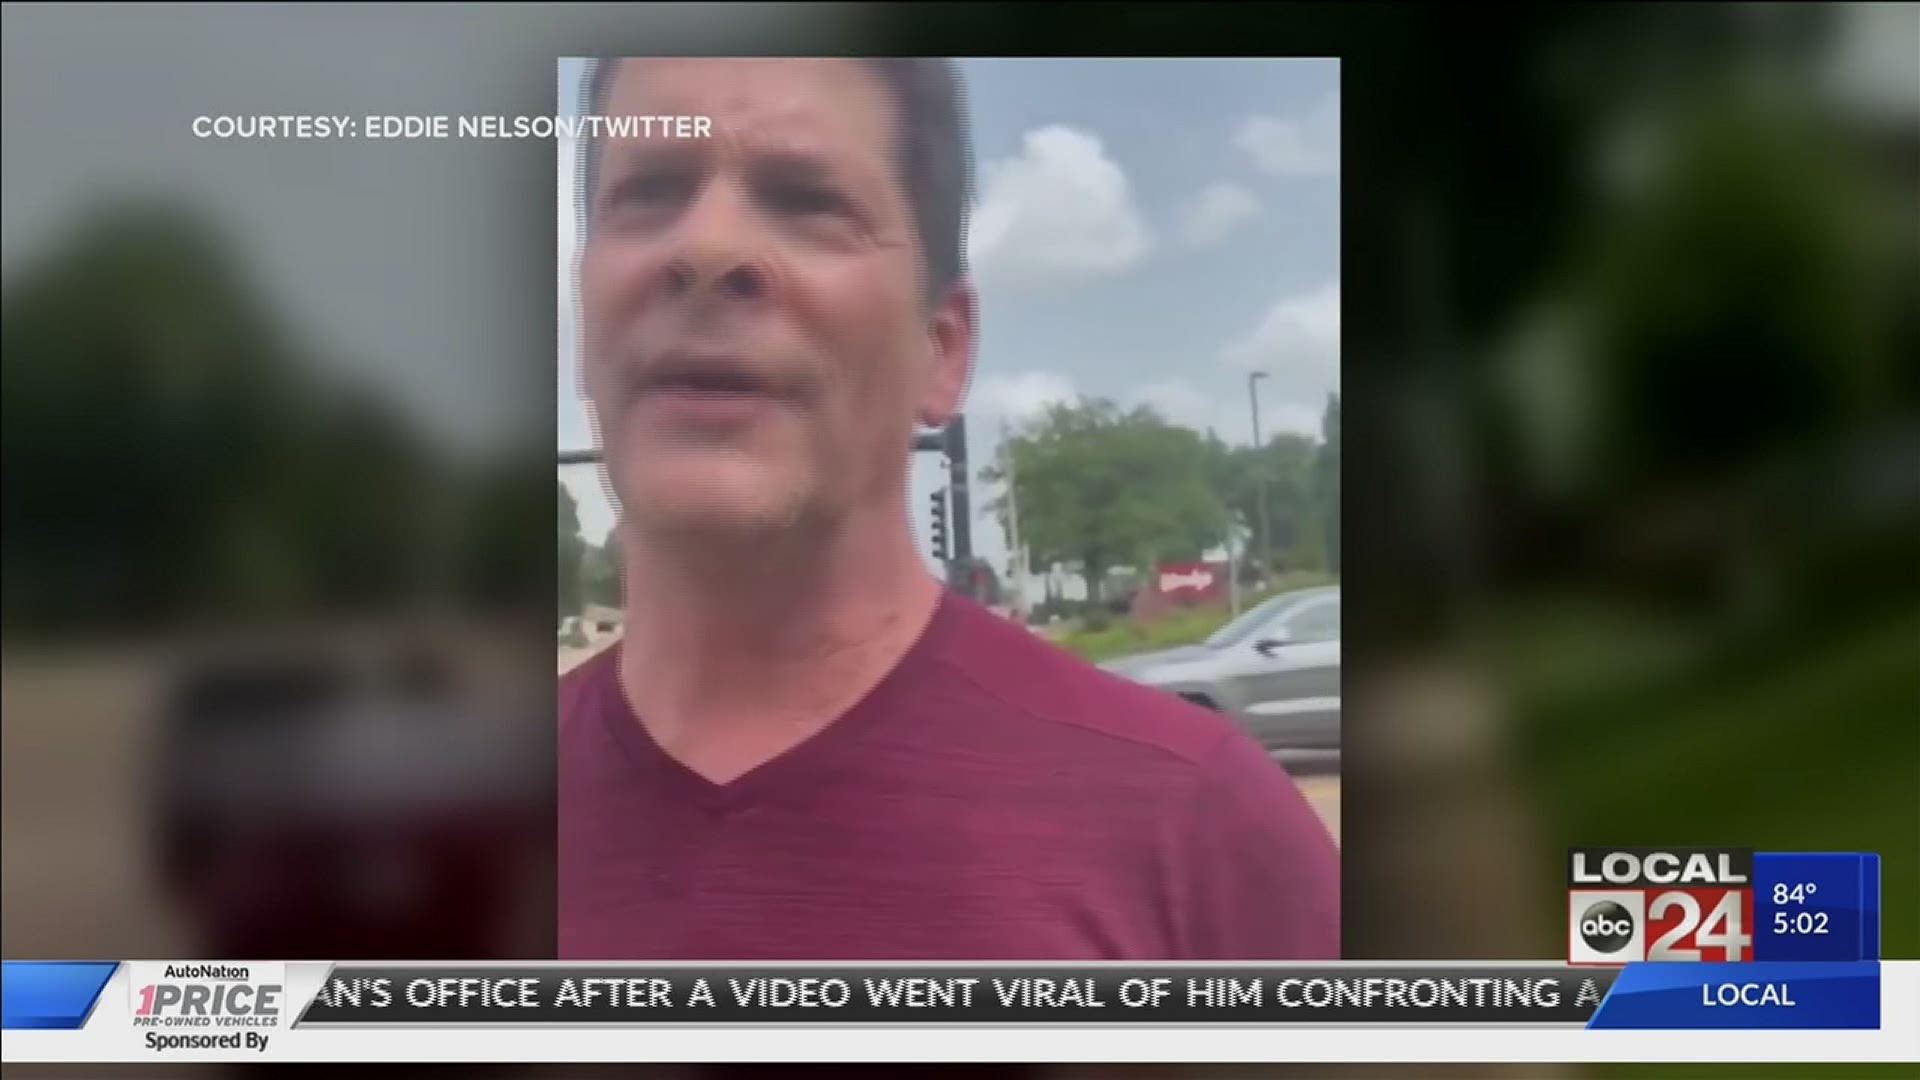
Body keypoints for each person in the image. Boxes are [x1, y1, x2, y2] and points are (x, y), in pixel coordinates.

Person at [559, 57, 1339, 960]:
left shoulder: (1198, 832)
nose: (705, 248)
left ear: (943, 350)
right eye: (650, 193)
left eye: (804, 199)